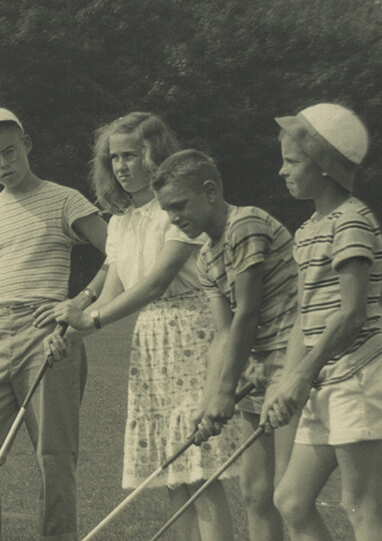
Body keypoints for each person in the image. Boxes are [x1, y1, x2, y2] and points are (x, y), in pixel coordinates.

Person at [43, 113, 239, 541]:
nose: (121, 166)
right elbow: (112, 293)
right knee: (172, 474)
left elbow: (157, 281)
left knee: (201, 472)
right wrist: (69, 335)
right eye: (114, 158)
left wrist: (90, 317)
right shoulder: (121, 222)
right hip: (151, 346)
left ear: (154, 156)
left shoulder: (176, 208)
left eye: (131, 155)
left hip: (194, 333)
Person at [0, 107, 108, 541]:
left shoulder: (64, 198)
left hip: (48, 334)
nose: (3, 165)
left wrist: (80, 301)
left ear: (27, 145)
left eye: (9, 152)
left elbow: (121, 254)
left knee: (54, 457)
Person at [262, 104, 382, 541]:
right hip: (323, 376)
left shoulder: (352, 222)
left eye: (292, 161)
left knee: (360, 503)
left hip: (358, 373)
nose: (282, 171)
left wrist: (301, 376)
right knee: (291, 501)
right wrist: (283, 382)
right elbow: (306, 317)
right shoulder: (307, 231)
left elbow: (351, 314)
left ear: (323, 166)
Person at [152, 149, 299, 541]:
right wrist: (208, 403)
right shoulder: (205, 258)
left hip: (294, 365)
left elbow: (247, 313)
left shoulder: (245, 224)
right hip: (258, 373)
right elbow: (222, 334)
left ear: (210, 191)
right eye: (167, 211)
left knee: (288, 493)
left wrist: (225, 392)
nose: (174, 217)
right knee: (256, 492)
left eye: (179, 205)